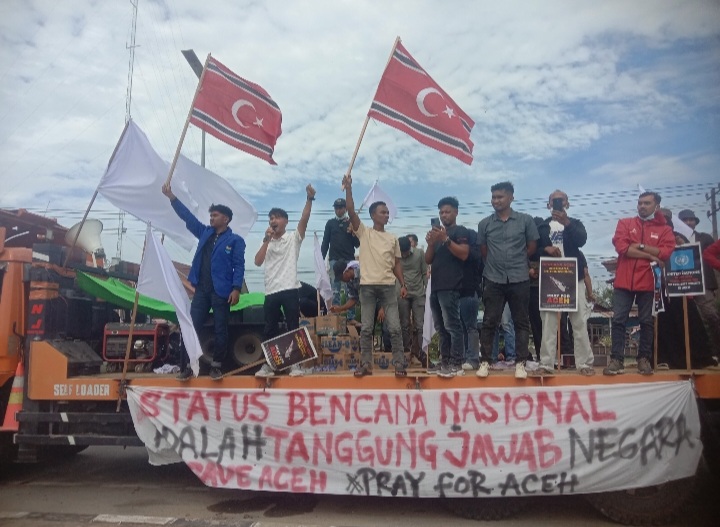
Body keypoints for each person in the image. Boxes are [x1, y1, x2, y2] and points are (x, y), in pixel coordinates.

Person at [161, 183, 245, 381]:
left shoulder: (235, 240)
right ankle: (187, 366)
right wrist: (172, 197)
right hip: (201, 290)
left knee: (220, 328)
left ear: (225, 219)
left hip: (221, 291)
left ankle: (216, 366)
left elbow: (239, 265)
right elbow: (188, 218)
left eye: (215, 215)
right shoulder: (205, 232)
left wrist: (236, 288)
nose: (211, 218)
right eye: (211, 215)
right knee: (191, 327)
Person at [342, 173, 407, 377]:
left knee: (394, 327)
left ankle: (399, 365)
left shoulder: (393, 238)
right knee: (367, 328)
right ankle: (366, 365)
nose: (387, 215)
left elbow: (397, 264)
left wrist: (403, 284)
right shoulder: (364, 232)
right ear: (372, 215)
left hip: (388, 287)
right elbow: (351, 210)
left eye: (387, 212)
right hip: (367, 287)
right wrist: (349, 188)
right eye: (383, 212)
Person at [605, 191, 675, 376]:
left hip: (649, 281)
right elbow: (622, 248)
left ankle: (644, 359)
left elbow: (665, 252)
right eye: (640, 203)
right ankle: (616, 360)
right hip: (624, 280)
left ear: (656, 206)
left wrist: (639, 246)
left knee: (646, 321)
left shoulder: (665, 230)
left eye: (647, 203)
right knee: (618, 320)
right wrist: (651, 255)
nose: (642, 206)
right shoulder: (625, 223)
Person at [477, 181, 539, 379]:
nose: (496, 201)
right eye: (493, 197)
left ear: (511, 197)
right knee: (489, 321)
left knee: (521, 321)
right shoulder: (484, 224)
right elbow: (484, 250)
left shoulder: (525, 220)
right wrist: (496, 263)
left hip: (519, 277)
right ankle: (485, 361)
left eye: (500, 197)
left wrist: (517, 260)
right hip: (493, 278)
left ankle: (520, 363)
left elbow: (531, 246)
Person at [254, 185, 315, 378]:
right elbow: (257, 261)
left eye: (277, 217)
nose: (273, 221)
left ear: (286, 221)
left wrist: (309, 199)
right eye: (271, 218)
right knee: (269, 329)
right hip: (271, 291)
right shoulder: (266, 241)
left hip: (290, 288)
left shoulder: (293, 238)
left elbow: (304, 219)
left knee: (292, 327)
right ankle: (268, 365)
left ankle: (294, 365)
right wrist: (266, 240)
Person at [536, 190, 595, 376]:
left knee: (579, 322)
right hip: (550, 278)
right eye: (554, 201)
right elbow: (533, 249)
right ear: (548, 205)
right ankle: (546, 364)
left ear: (567, 204)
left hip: (574, 278)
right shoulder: (542, 226)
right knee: (549, 323)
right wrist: (545, 248)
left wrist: (566, 222)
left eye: (561, 201)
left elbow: (581, 241)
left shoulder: (575, 224)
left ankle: (584, 364)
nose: (557, 203)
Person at [425, 197, 470, 377]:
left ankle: (456, 363)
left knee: (452, 325)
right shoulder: (437, 235)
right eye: (441, 212)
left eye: (447, 211)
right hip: (435, 286)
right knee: (441, 328)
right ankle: (444, 361)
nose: (444, 215)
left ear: (456, 212)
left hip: (451, 285)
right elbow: (428, 259)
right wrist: (431, 244)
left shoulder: (460, 231)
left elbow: (464, 254)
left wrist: (445, 239)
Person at [677, 209, 720, 357]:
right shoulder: (673, 239)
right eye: (685, 220)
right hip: (680, 285)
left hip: (704, 284)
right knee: (685, 320)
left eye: (691, 220)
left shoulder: (705, 238)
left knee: (712, 316)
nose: (688, 222)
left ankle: (716, 352)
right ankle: (692, 355)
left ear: (695, 222)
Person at [321, 198, 360, 318]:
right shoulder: (330, 223)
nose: (338, 210)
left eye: (341, 208)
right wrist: (321, 259)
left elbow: (357, 244)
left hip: (349, 261)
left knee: (350, 290)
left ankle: (351, 317)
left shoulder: (351, 223)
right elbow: (325, 242)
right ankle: (335, 315)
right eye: (336, 208)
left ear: (345, 209)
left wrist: (353, 233)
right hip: (334, 260)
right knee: (335, 290)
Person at [397, 236, 429, 366]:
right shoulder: (396, 256)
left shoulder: (419, 253)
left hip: (418, 294)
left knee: (419, 325)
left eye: (405, 253)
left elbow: (424, 273)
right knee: (404, 325)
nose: (404, 255)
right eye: (402, 253)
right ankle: (406, 353)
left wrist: (427, 290)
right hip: (402, 294)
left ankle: (421, 354)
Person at [460, 229, 482, 371]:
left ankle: (473, 359)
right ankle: (463, 358)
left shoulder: (474, 255)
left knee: (470, 327)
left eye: (464, 240)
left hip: (469, 292)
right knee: (460, 328)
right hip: (457, 293)